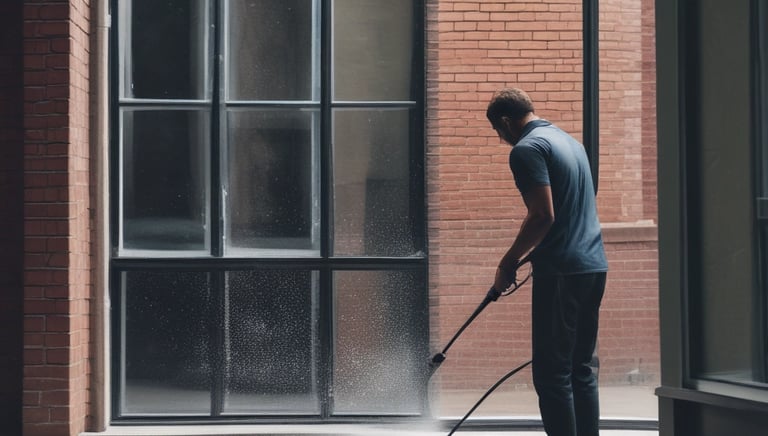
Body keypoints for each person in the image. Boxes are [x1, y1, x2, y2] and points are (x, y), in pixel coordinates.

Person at [486, 88, 608, 436]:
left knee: (552, 374)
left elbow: (542, 216)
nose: (502, 140)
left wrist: (508, 263)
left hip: (562, 272)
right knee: (581, 368)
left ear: (506, 122)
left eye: (498, 133)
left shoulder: (527, 149)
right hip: (593, 266)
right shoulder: (571, 144)